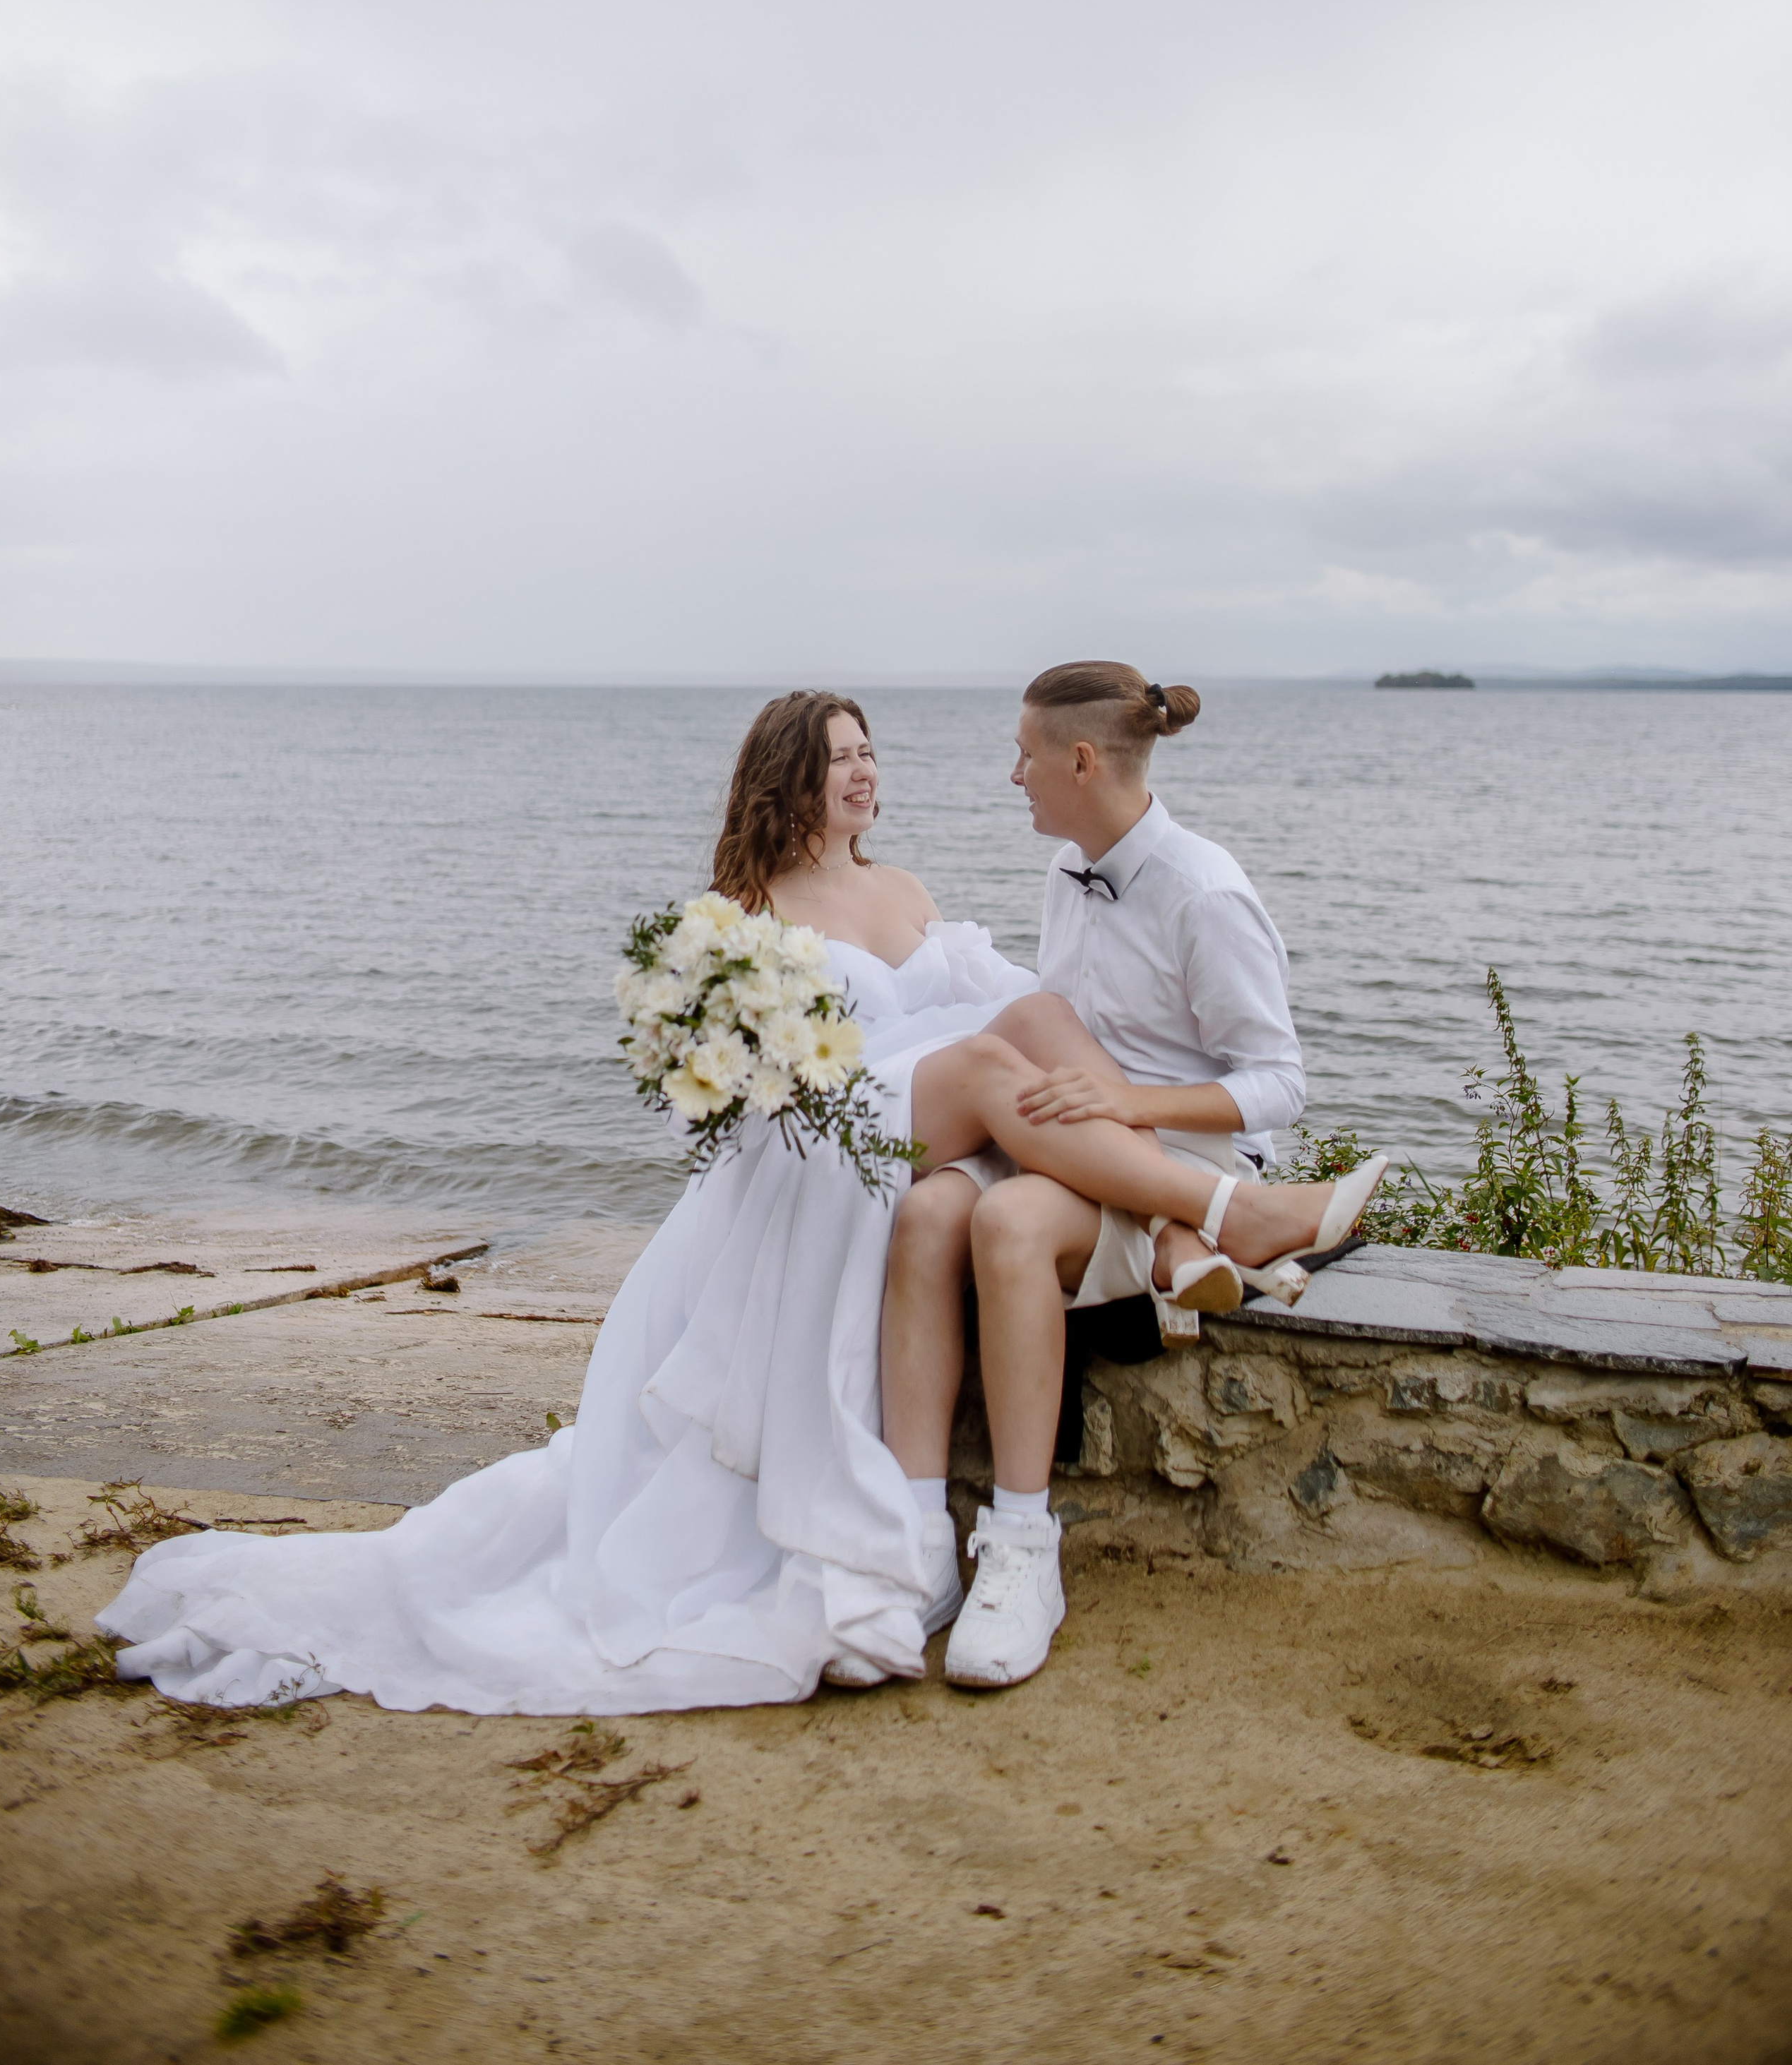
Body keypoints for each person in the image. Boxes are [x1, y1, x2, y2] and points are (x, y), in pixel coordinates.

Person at [102, 687, 1375, 1714]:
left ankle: (1178, 1224)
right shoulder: (745, 917)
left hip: (929, 1114)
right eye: (840, 759)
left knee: (1028, 1014)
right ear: (789, 779)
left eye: (872, 753)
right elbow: (716, 1098)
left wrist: (1077, 1082)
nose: (866, 776)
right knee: (999, 1054)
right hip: (830, 1138)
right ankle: (1224, 1216)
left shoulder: (910, 889)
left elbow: (1010, 1007)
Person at [878, 661, 1385, 1694]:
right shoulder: (1065, 875)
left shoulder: (1203, 888)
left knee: (1012, 1222)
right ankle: (913, 1532)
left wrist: (1132, 1108)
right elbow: (1066, 1043)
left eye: (1025, 754)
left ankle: (1022, 1549)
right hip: (1085, 1138)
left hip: (1179, 1143)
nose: (1011, 774)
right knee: (930, 1206)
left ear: (1080, 758)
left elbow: (1280, 1084)